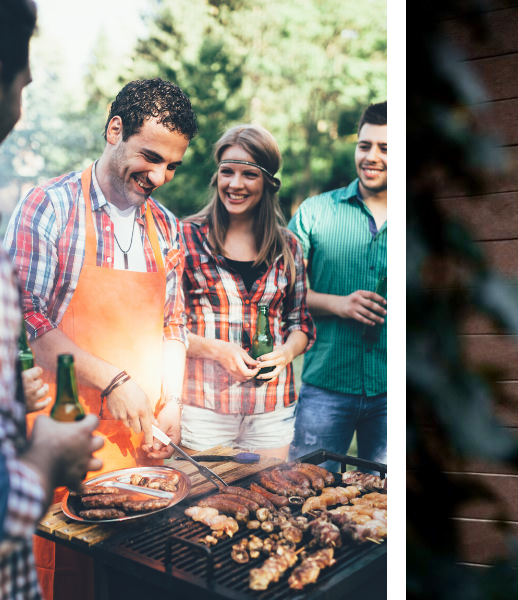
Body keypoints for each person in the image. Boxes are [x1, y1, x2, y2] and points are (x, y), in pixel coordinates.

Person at [3, 76, 197, 599]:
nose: (159, 176)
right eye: (150, 156)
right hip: (65, 446)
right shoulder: (49, 208)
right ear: (115, 130)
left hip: (143, 450)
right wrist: (113, 380)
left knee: (141, 584)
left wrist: (173, 400)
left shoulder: (167, 227)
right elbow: (28, 322)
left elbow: (173, 325)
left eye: (172, 166)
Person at [0, 1, 105, 598]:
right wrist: (42, 459)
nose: (23, 99)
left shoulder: (162, 225)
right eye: (23, 81)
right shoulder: (49, 204)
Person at [180, 124, 314, 460]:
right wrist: (216, 350)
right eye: (227, 171)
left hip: (271, 408)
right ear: (216, 177)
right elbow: (162, 326)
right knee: (204, 507)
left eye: (249, 174)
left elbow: (301, 323)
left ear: (268, 182)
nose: (235, 184)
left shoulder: (289, 247)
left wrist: (285, 354)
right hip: (204, 406)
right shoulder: (185, 237)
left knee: (270, 505)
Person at [287, 101, 386, 470]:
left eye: (386, 148)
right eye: (365, 146)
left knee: (385, 506)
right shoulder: (314, 212)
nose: (371, 157)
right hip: (326, 386)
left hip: (393, 390)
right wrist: (339, 304)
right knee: (305, 491)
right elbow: (283, 292)